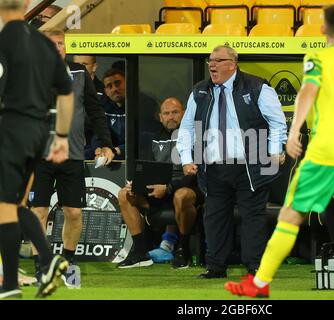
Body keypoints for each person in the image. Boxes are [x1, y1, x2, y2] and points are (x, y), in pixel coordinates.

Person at [224, 5, 334, 300]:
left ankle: (260, 283)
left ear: (324, 29)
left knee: (290, 216)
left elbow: (308, 92)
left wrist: (293, 130)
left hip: (325, 150)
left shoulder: (318, 57)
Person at [177, 45, 287, 279]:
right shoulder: (200, 91)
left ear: (232, 63)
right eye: (210, 61)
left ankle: (255, 267)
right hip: (215, 166)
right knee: (214, 217)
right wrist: (186, 158)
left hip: (251, 165)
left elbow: (277, 123)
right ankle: (216, 266)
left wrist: (275, 150)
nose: (212, 65)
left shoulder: (257, 87)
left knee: (253, 216)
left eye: (218, 60)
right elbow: (187, 127)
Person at [29, 28, 115, 288]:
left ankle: (68, 263)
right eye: (52, 44)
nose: (59, 48)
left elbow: (95, 110)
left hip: (73, 155)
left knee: (74, 212)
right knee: (39, 211)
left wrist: (106, 144)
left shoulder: (78, 73)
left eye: (61, 44)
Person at [0, 0, 73, 299]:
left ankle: (11, 285)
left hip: (9, 127)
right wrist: (62, 137)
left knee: (4, 207)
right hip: (37, 131)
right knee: (16, 206)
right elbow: (66, 92)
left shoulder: (3, 39)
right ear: (28, 3)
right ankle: (45, 260)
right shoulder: (45, 45)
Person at [118, 97, 203, 269]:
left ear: (184, 114)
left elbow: (197, 173)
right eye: (166, 113)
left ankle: (182, 249)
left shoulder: (196, 136)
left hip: (187, 189)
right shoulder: (153, 138)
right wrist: (136, 185)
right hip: (158, 191)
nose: (170, 117)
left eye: (175, 112)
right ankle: (141, 252)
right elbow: (146, 169)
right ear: (160, 117)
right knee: (124, 194)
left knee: (182, 195)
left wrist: (169, 187)